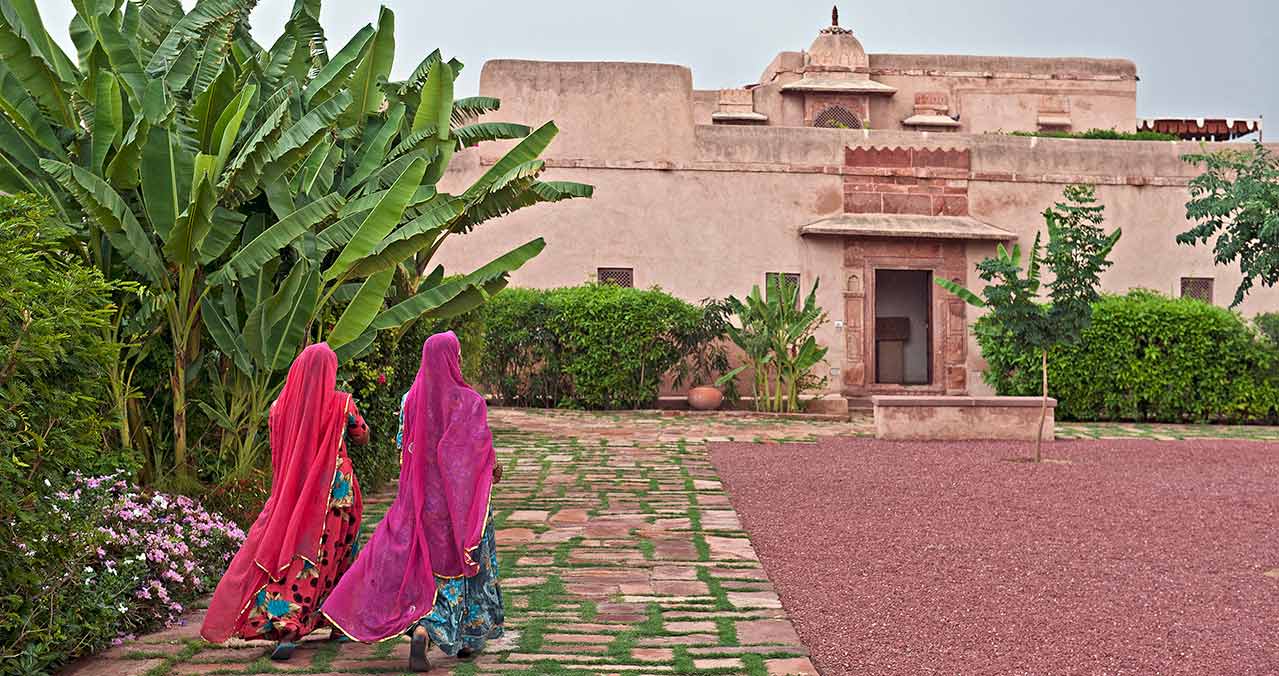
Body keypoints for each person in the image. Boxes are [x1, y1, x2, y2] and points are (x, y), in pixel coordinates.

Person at [323, 331, 504, 672]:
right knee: (465, 564)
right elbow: (475, 454)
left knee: (426, 568)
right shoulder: (468, 402)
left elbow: (402, 448)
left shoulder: (410, 400)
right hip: (458, 504)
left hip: (420, 502)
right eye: (459, 354)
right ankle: (459, 635)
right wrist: (492, 468)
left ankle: (423, 628)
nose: (461, 361)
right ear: (452, 358)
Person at [201, 343, 368, 660]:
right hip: (337, 495)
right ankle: (321, 621)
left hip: (294, 496)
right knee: (336, 557)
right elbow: (361, 435)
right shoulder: (341, 403)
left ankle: (285, 616)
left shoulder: (279, 407)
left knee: (296, 558)